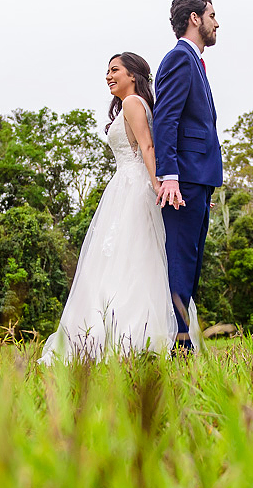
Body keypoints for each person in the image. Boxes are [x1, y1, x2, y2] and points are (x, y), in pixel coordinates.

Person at [40, 52, 191, 363]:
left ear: (132, 75)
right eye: (107, 71)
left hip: (134, 188)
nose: (108, 76)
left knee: (130, 263)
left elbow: (148, 147)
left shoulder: (133, 103)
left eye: (114, 70)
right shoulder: (138, 105)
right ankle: (126, 337)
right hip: (126, 185)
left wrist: (158, 185)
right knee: (126, 263)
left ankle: (128, 339)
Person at [152, 0, 221, 352]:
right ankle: (180, 344)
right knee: (182, 258)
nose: (216, 22)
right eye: (212, 15)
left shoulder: (195, 62)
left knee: (191, 262)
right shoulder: (180, 58)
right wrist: (172, 176)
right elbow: (166, 118)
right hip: (183, 179)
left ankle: (183, 338)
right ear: (194, 18)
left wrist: (203, 182)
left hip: (198, 179)